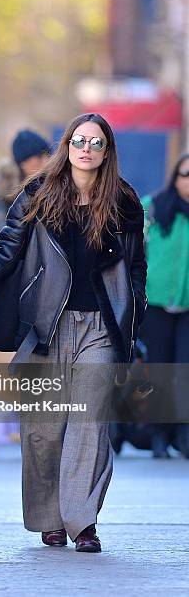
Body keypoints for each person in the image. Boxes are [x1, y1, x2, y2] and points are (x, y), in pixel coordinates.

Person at [0, 113, 147, 552]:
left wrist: (135, 314)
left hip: (100, 327)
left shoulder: (125, 202)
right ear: (67, 146)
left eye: (96, 143)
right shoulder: (39, 192)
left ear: (107, 151)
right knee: (43, 429)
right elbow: (8, 248)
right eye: (79, 140)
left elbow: (135, 268)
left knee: (89, 422)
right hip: (45, 324)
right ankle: (49, 518)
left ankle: (82, 521)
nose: (87, 149)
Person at [139, 153, 189, 458]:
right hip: (156, 302)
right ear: (174, 177)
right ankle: (158, 434)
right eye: (185, 174)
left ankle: (183, 434)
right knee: (159, 370)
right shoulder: (154, 206)